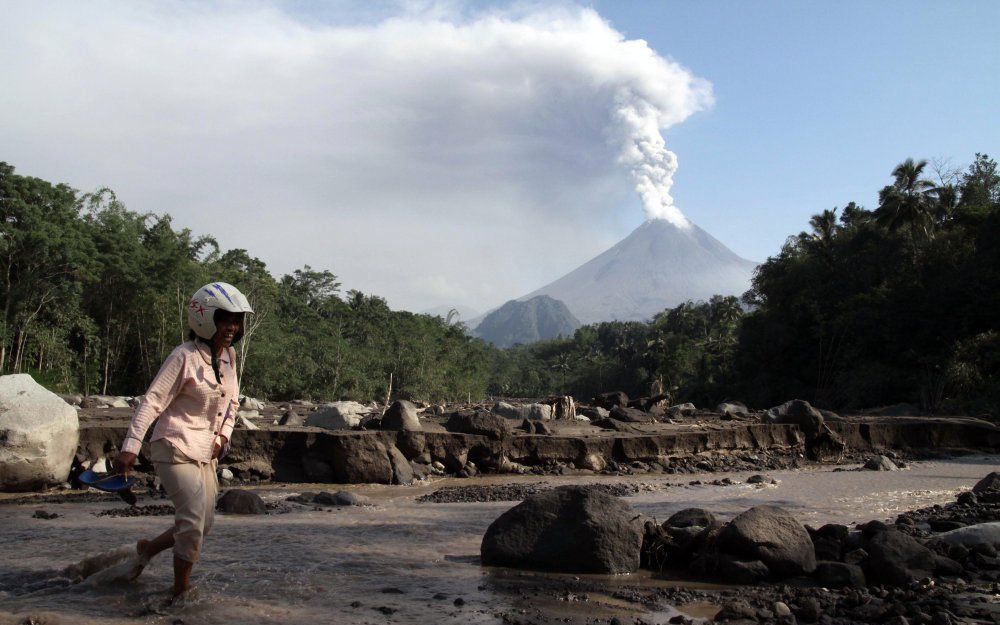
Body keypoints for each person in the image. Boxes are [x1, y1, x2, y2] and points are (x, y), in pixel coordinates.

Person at [115, 281, 253, 598]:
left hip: (206, 451)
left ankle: (148, 549)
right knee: (191, 522)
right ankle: (180, 591)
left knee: (204, 524)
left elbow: (232, 402)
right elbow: (152, 401)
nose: (231, 327)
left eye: (236, 320)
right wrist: (130, 448)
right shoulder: (184, 356)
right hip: (173, 446)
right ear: (206, 318)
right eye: (225, 319)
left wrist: (224, 435)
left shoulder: (229, 357)